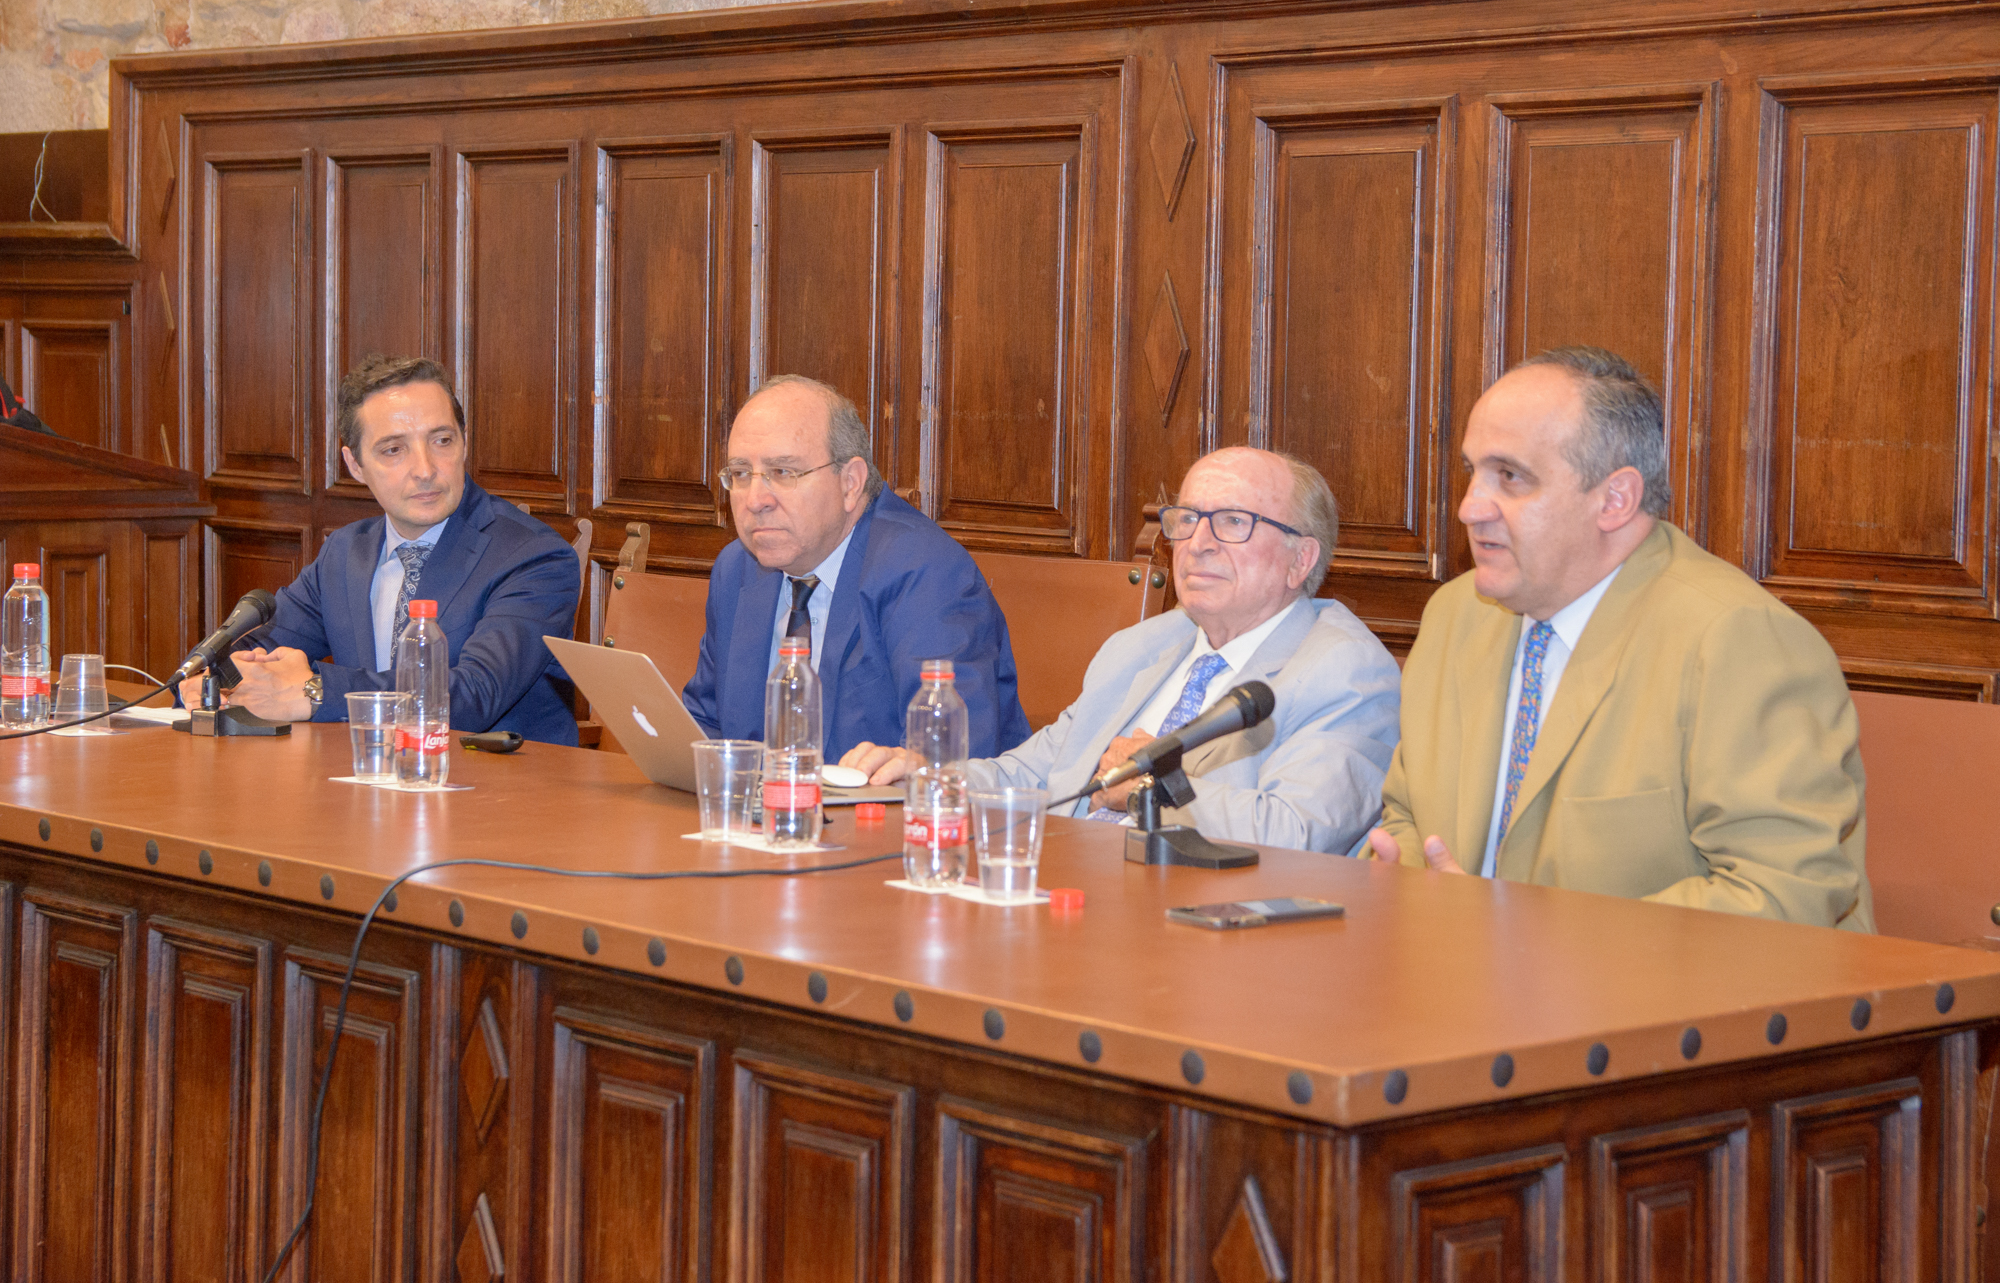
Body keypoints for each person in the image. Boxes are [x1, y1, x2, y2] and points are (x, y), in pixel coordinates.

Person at [1364, 346, 1873, 930]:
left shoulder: (1734, 639)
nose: (1469, 508)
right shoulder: (1457, 614)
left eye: (1510, 476)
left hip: (1672, 1009)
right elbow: (1406, 816)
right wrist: (1395, 878)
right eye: (1472, 472)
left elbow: (1783, 895)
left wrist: (1525, 941)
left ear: (1615, 499)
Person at [842, 447, 1401, 854]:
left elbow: (1299, 834)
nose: (1197, 544)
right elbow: (1036, 774)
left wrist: (1155, 790)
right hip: (1060, 888)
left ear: (1301, 560)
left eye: (1232, 522)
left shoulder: (1345, 671)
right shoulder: (1141, 647)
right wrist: (935, 781)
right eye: (1186, 521)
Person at [180, 355, 582, 744]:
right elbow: (259, 649)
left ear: (464, 443)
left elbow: (472, 696)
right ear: (354, 465)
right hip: (369, 783)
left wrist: (314, 691)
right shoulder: (346, 552)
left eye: (442, 440)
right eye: (394, 449)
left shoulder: (533, 557)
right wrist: (216, 681)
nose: (425, 468)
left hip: (502, 793)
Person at [682, 375, 1029, 757]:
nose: (756, 499)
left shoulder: (927, 573)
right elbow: (705, 724)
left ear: (850, 483)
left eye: (783, 473)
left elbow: (950, 755)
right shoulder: (737, 570)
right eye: (741, 474)